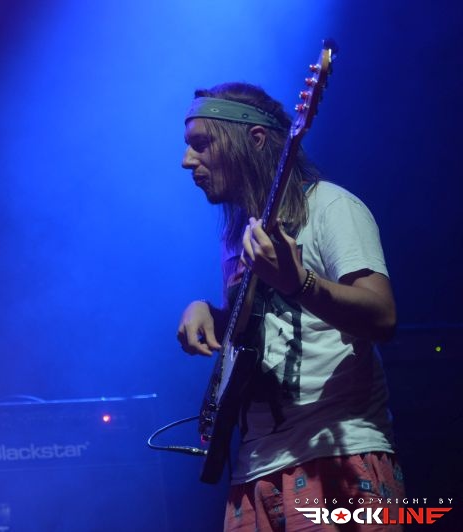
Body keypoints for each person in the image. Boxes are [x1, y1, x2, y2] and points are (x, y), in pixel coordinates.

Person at [176, 82, 405, 531]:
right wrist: (209, 312)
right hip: (254, 470)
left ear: (256, 139)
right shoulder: (238, 237)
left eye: (201, 144)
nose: (187, 160)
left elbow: (383, 316)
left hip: (338, 454)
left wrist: (300, 283)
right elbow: (264, 326)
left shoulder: (331, 207)